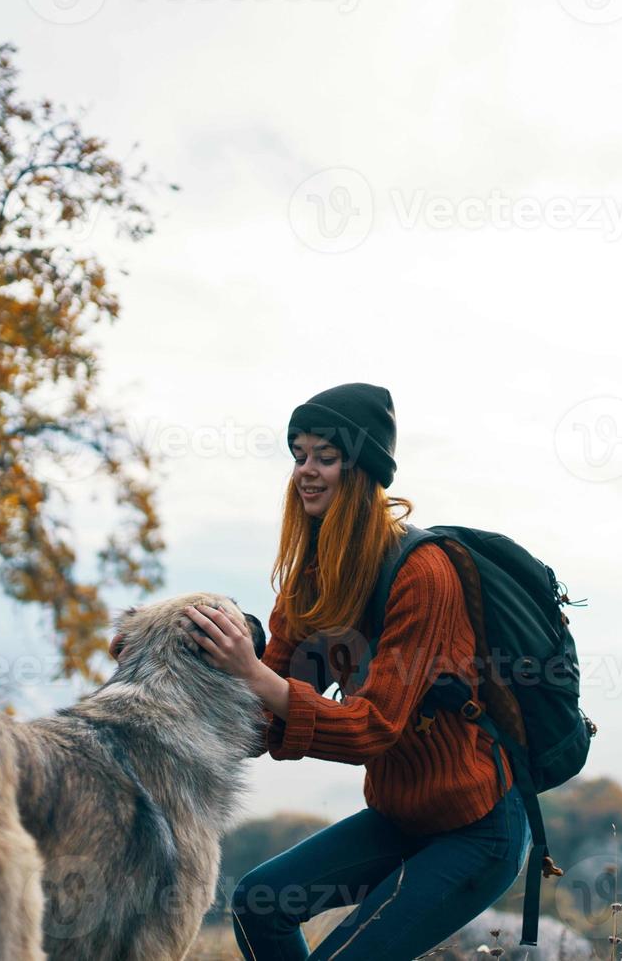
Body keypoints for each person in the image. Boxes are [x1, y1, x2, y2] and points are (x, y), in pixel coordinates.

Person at [180, 382, 532, 961]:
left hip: (477, 828)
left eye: (326, 456)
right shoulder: (312, 578)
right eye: (298, 456)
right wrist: (169, 674)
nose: (306, 471)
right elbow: (258, 715)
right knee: (259, 902)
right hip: (399, 814)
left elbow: (373, 727)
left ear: (362, 467)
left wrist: (253, 674)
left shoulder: (424, 574)